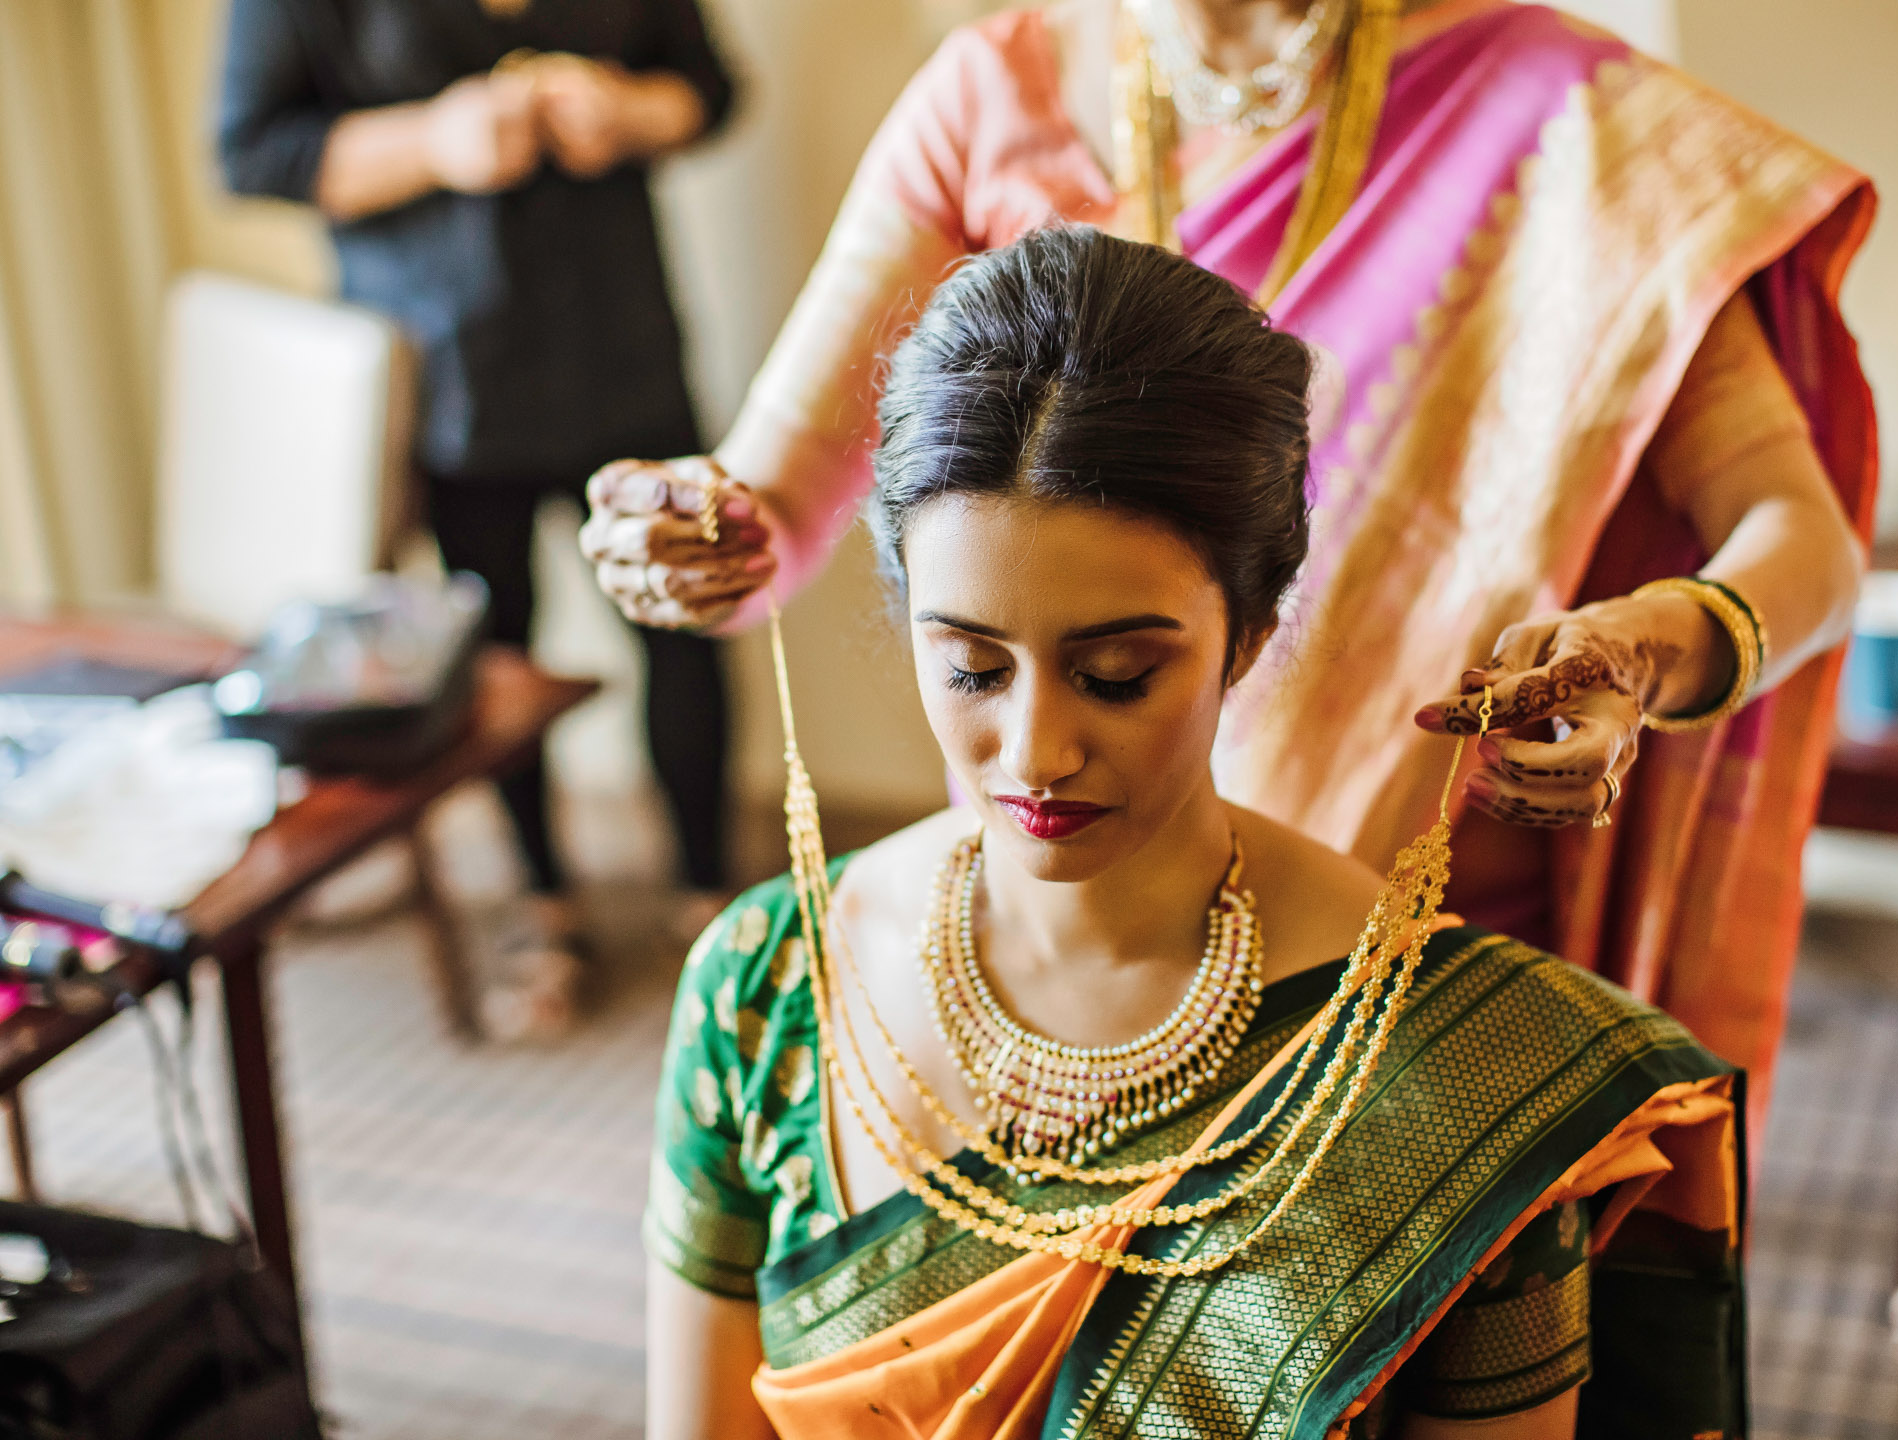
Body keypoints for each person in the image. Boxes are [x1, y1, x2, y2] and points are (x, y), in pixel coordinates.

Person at [580, 0, 1874, 1136]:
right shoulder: (994, 97)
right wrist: (683, 534)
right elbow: (765, 507)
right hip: (1075, 881)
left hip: (1410, 915)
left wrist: (1644, 647)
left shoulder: (1561, 116)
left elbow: (1798, 537)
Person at [645, 227, 1746, 1439]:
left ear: (1252, 632)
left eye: (1117, 674)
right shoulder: (770, 983)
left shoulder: (1452, 1072)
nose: (1034, 752)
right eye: (968, 667)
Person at [218, 0, 742, 1031]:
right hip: (450, 368)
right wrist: (433, 141)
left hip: (623, 348)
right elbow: (252, 151)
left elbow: (711, 91)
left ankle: (711, 899)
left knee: (687, 624)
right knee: (496, 654)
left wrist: (630, 114)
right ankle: (543, 902)